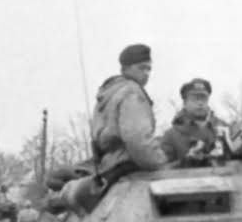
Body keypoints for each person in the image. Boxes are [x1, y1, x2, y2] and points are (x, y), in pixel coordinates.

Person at [90, 43, 169, 177]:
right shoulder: (131, 93)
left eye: (148, 69)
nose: (146, 73)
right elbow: (137, 139)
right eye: (141, 68)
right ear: (125, 69)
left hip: (108, 167)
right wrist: (161, 165)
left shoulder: (108, 93)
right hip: (129, 168)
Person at [161, 78, 227, 166]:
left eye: (204, 99)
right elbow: (162, 168)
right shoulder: (171, 136)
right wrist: (186, 161)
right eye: (195, 99)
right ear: (184, 103)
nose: (200, 103)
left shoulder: (224, 129)